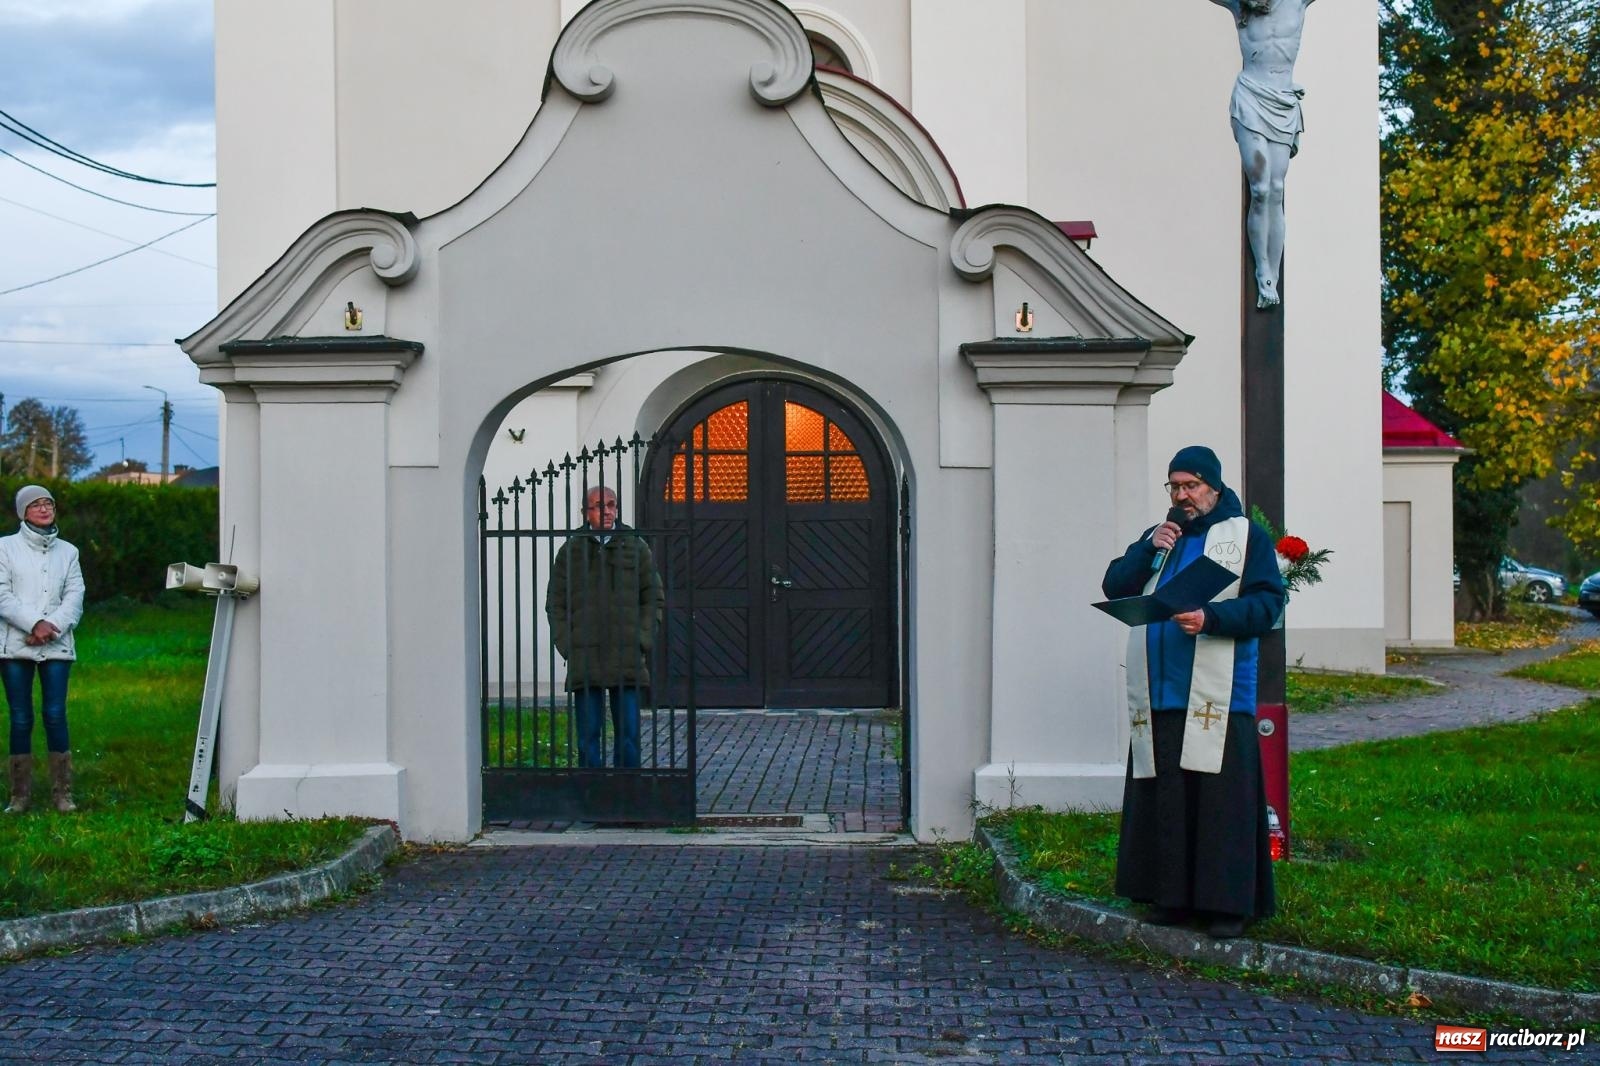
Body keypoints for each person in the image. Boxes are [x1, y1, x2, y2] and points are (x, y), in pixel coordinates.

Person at [1101, 446, 1285, 938]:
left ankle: (1226, 907)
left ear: (1215, 488)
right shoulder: (1160, 537)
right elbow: (1116, 583)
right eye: (1175, 486)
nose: (1182, 495)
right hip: (1159, 695)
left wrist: (1212, 618)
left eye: (1191, 486)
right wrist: (1147, 549)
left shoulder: (1246, 537)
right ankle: (1171, 898)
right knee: (1168, 800)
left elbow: (1268, 605)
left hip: (1217, 696)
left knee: (1219, 804)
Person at [546, 486, 663, 769]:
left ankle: (627, 795)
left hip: (627, 656)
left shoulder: (636, 545)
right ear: (586, 512)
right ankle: (592, 796)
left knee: (629, 736)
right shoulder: (571, 550)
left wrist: (643, 638)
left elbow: (653, 596)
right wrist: (567, 643)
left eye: (611, 505)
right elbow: (556, 602)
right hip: (585, 656)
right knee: (588, 736)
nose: (607, 511)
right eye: (599, 505)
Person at [1208, 0, 1316, 309]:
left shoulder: (1296, 3)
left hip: (1282, 101)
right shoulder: (1241, 6)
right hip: (1250, 97)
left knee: (1277, 189)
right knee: (1261, 188)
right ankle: (1264, 272)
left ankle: (1273, 275)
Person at [1, 486, 86, 814]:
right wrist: (33, 624)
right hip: (15, 646)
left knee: (55, 714)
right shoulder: (4, 548)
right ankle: (19, 796)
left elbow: (75, 595)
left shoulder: (69, 552)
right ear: (23, 512)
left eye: (48, 503)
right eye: (35, 505)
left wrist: (51, 627)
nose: (43, 508)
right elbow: (2, 594)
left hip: (56, 643)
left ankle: (62, 794)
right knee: (21, 718)